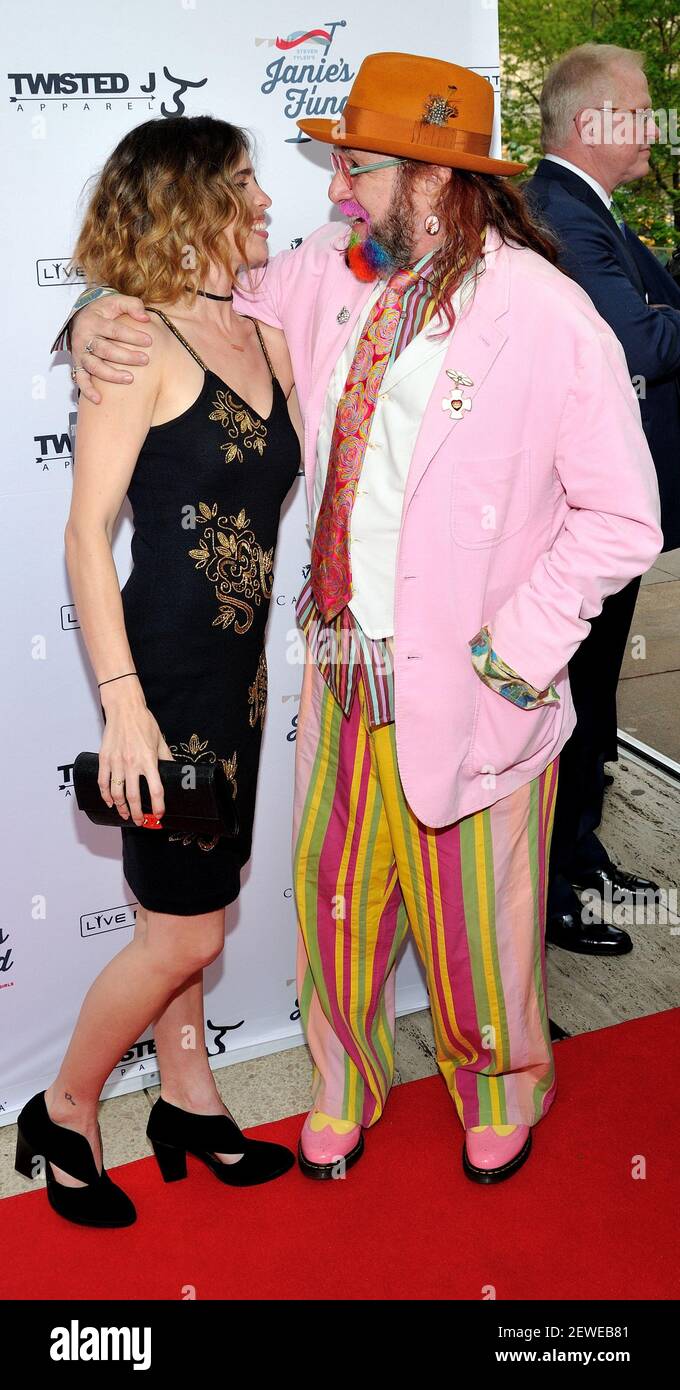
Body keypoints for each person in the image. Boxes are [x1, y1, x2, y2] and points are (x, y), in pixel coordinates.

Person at [61, 53, 663, 1185]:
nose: (333, 188)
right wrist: (98, 315)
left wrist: (516, 651)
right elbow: (190, 297)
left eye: (356, 166)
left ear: (433, 177)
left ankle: (496, 1084)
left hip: (478, 676)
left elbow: (621, 517)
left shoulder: (545, 314)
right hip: (340, 665)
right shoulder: (327, 277)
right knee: (339, 898)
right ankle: (342, 1081)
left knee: (476, 918)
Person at [17, 115, 300, 1228]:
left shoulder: (267, 335)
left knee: (193, 913)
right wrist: (122, 709)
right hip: (164, 682)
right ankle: (66, 1105)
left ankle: (184, 1095)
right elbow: (88, 533)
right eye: (242, 182)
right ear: (189, 202)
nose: (266, 200)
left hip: (240, 681)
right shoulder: (133, 340)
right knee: (181, 931)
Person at [523, 43, 680, 955]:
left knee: (593, 700)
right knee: (570, 701)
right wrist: (655, 320)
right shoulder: (562, 216)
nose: (657, 123)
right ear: (595, 125)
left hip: (606, 519)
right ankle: (550, 890)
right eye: (644, 106)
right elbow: (642, 343)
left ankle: (577, 855)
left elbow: (663, 307)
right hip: (573, 523)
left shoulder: (595, 215)